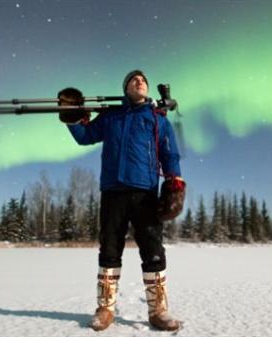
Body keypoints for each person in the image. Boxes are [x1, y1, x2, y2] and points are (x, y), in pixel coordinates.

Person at [59, 70, 185, 331]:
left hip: (145, 193)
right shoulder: (111, 115)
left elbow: (170, 155)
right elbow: (85, 136)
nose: (139, 82)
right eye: (133, 80)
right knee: (109, 248)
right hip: (113, 191)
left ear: (147, 89)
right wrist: (73, 117)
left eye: (143, 80)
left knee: (153, 251)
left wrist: (174, 183)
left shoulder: (158, 120)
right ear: (126, 87)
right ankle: (105, 309)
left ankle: (158, 310)